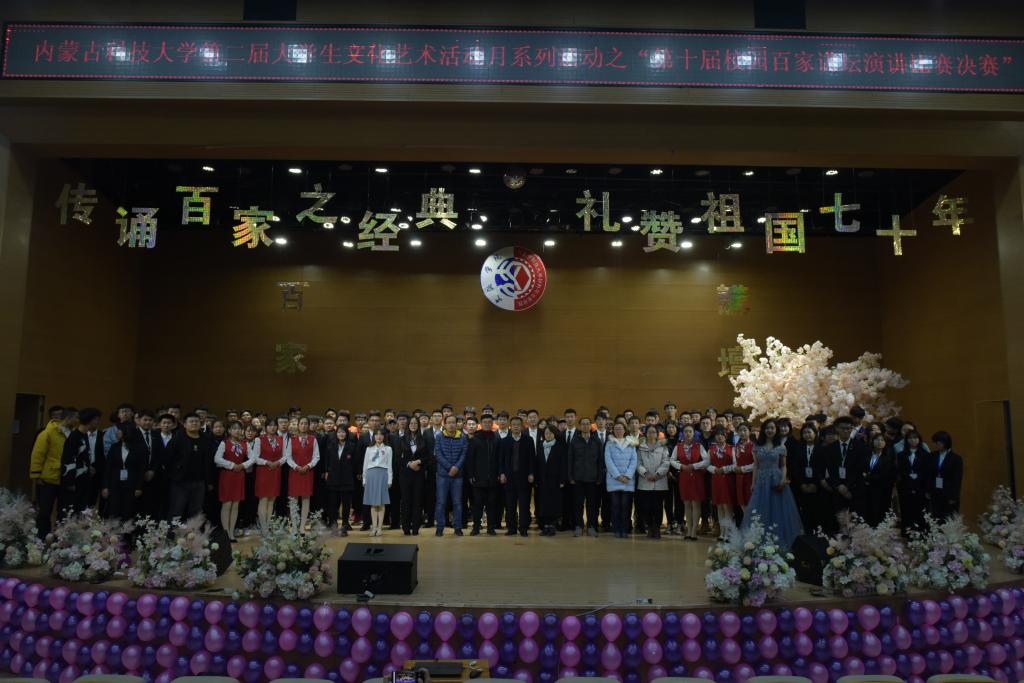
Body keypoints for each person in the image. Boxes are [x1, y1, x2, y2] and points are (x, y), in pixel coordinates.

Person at [742, 419, 803, 549]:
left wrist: (783, 479)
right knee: (760, 511)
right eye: (767, 428)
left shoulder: (781, 447)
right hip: (761, 482)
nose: (770, 430)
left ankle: (779, 542)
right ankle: (759, 542)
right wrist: (753, 483)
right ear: (763, 430)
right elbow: (756, 466)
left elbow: (783, 465)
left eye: (772, 428)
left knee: (778, 511)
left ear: (776, 430)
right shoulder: (757, 446)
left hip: (776, 480)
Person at [31, 407, 79, 538]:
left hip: (67, 478)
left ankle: (60, 539)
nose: (78, 421)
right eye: (76, 418)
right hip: (49, 477)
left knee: (64, 511)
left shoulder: (74, 434)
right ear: (68, 418)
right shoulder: (48, 433)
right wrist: (36, 475)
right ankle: (42, 538)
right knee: (45, 511)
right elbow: (38, 455)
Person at [823, 416, 870, 520]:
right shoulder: (829, 448)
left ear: (852, 428)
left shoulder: (861, 447)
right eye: (842, 428)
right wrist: (839, 486)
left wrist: (847, 486)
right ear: (837, 429)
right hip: (838, 489)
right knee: (840, 520)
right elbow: (830, 470)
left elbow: (859, 469)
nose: (845, 431)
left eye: (848, 428)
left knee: (856, 520)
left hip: (855, 489)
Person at [213, 420, 252, 540]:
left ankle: (231, 532)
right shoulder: (224, 443)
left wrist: (243, 465)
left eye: (239, 428)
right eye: (234, 428)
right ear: (229, 430)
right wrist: (232, 465)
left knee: (236, 504)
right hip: (227, 475)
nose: (237, 431)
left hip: (239, 475)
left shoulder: (245, 443)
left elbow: (253, 458)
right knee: (227, 504)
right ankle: (225, 533)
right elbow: (217, 459)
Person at [789, 423, 831, 534]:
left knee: (818, 511)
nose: (807, 435)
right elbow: (795, 468)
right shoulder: (798, 448)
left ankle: (819, 533)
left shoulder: (822, 449)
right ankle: (807, 533)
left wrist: (815, 483)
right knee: (805, 511)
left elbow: (823, 468)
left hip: (818, 486)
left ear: (815, 433)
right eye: (804, 433)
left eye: (809, 432)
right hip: (802, 485)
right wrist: (801, 484)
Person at [499, 415, 536, 537]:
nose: (516, 427)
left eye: (518, 425)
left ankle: (523, 528)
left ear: (522, 426)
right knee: (510, 505)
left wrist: (531, 472)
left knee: (524, 505)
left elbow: (532, 458)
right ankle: (512, 528)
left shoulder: (528, 440)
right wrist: (502, 473)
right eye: (513, 424)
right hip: (509, 478)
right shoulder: (504, 441)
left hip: (524, 478)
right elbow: (501, 460)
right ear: (510, 426)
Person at [61, 407, 102, 515]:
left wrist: (89, 467)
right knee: (70, 512)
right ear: (90, 420)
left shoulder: (84, 435)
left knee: (81, 510)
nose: (98, 422)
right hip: (74, 481)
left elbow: (83, 456)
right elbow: (68, 460)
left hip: (84, 479)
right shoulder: (74, 437)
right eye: (97, 419)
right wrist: (70, 482)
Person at [466, 413, 501, 536]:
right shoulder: (475, 439)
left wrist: (499, 473)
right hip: (478, 478)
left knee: (492, 504)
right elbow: (470, 459)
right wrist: (471, 475)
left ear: (492, 424)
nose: (487, 424)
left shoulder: (496, 438)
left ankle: (491, 527)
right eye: (485, 422)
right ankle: (476, 527)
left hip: (493, 478)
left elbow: (499, 458)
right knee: (477, 505)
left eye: (489, 422)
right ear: (481, 424)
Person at [569, 416, 604, 537]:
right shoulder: (575, 441)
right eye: (583, 424)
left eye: (587, 423)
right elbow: (570, 459)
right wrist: (570, 476)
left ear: (591, 426)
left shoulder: (596, 441)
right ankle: (578, 526)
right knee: (578, 504)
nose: (585, 426)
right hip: (577, 478)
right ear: (580, 426)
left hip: (593, 479)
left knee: (592, 505)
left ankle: (591, 526)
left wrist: (600, 477)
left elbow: (600, 461)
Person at [102, 423, 145, 521]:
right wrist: (105, 486)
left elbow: (141, 469)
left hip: (131, 485)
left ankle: (126, 531)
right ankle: (113, 531)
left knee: (128, 512)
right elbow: (108, 468)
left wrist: (139, 487)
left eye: (119, 430)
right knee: (113, 511)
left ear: (126, 432)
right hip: (114, 484)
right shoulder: (114, 447)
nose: (117, 432)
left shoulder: (139, 448)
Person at [671, 424, 707, 541]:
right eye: (686, 431)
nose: (688, 433)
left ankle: (694, 530)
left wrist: (695, 466)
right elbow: (671, 460)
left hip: (697, 476)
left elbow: (707, 460)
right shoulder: (678, 446)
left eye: (690, 431)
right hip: (684, 477)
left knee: (695, 503)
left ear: (694, 433)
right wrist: (681, 466)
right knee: (687, 503)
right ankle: (689, 528)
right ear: (682, 433)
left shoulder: (699, 446)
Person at [434, 415, 467, 537]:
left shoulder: (463, 437)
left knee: (457, 503)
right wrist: (449, 467)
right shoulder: (439, 437)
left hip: (458, 475)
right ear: (445, 424)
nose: (452, 425)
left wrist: (456, 467)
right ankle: (440, 528)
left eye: (454, 422)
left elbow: (464, 454)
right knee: (441, 502)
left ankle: (457, 527)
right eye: (449, 422)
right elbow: (438, 454)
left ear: (457, 424)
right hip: (443, 475)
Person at [286, 416, 320, 529]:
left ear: (308, 425)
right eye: (301, 423)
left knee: (306, 498)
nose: (304, 426)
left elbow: (316, 456)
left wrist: (308, 466)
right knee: (294, 499)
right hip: (295, 472)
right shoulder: (292, 439)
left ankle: (302, 527)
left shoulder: (313, 439)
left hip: (307, 472)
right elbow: (288, 457)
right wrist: (296, 467)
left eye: (306, 423)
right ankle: (295, 527)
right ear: (298, 425)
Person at [636, 425, 670, 540]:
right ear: (646, 434)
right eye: (649, 432)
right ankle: (650, 527)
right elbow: (638, 463)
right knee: (646, 507)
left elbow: (666, 462)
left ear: (657, 434)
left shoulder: (663, 447)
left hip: (659, 481)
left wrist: (658, 474)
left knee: (658, 506)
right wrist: (645, 473)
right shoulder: (641, 447)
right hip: (645, 481)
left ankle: (657, 528)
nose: (651, 434)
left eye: (654, 432)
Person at [396, 415, 428, 535]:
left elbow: (427, 457)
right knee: (406, 500)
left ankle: (415, 527)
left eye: (415, 423)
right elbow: (397, 458)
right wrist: (409, 464)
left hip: (418, 474)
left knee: (417, 501)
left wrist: (418, 461)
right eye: (411, 423)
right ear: (408, 425)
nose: (413, 425)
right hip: (405, 474)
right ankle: (405, 527)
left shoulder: (423, 439)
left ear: (418, 425)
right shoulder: (401, 440)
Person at [321, 425, 356, 536]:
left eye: (343, 432)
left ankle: (345, 525)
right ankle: (333, 525)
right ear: (336, 434)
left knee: (346, 505)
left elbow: (355, 463)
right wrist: (326, 471)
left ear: (347, 434)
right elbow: (326, 460)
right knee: (332, 504)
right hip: (333, 479)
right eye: (339, 432)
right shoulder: (331, 445)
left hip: (347, 479)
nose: (341, 434)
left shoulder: (352, 446)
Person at [605, 422, 637, 539]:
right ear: (613, 431)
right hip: (614, 480)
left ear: (624, 430)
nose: (618, 431)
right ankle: (616, 529)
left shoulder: (631, 443)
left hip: (628, 480)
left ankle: (624, 529)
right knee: (615, 506)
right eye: (616, 429)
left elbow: (634, 461)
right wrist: (618, 476)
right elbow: (608, 461)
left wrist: (627, 476)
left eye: (620, 429)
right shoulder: (609, 443)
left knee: (626, 507)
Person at [536, 424, 569, 536]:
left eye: (550, 433)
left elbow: (563, 465)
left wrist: (562, 480)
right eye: (546, 433)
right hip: (542, 480)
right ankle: (545, 526)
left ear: (554, 434)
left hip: (555, 480)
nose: (548, 435)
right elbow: (537, 464)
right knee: (543, 503)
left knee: (554, 504)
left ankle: (552, 526)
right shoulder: (540, 445)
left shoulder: (559, 446)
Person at [896, 429, 931, 533]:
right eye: (910, 438)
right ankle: (907, 532)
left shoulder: (925, 455)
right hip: (905, 487)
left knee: (920, 511)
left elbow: (927, 473)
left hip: (920, 488)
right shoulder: (901, 454)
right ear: (906, 440)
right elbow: (900, 471)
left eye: (915, 438)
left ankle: (921, 533)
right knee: (906, 510)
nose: (913, 440)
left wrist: (925, 487)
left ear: (919, 440)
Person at [254, 418, 285, 531]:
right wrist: (267, 462)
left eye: (274, 425)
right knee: (263, 499)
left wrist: (278, 462)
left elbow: (285, 456)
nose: (272, 427)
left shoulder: (280, 439)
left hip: (276, 471)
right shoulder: (259, 439)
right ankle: (263, 527)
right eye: (270, 425)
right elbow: (255, 458)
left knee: (272, 499)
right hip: (263, 472)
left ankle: (268, 525)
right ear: (265, 427)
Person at [860, 432, 896, 526]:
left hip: (880, 489)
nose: (879, 442)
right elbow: (861, 469)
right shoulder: (866, 455)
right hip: (866, 488)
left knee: (879, 512)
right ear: (872, 441)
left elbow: (885, 475)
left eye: (882, 440)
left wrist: (867, 476)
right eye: (877, 439)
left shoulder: (888, 458)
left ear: (885, 443)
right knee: (866, 511)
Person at [707, 427, 737, 540]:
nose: (720, 436)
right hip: (716, 479)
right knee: (719, 506)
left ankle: (728, 533)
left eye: (722, 434)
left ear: (726, 436)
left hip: (728, 479)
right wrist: (714, 469)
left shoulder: (732, 448)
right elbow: (707, 464)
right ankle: (722, 532)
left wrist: (724, 469)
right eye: (717, 434)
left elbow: (736, 464)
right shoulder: (711, 449)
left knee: (727, 507)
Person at [362, 430, 393, 536]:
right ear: (374, 436)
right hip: (371, 475)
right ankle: (374, 527)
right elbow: (365, 464)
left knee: (381, 503)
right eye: (377, 434)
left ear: (384, 436)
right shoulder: (369, 449)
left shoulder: (388, 449)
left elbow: (389, 465)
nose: (379, 436)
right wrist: (364, 479)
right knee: (373, 503)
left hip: (383, 474)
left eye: (381, 434)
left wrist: (390, 479)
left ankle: (380, 528)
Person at [930, 431, 963, 520]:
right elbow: (929, 474)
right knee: (936, 518)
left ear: (945, 442)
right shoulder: (932, 456)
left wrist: (954, 496)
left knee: (948, 518)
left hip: (949, 493)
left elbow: (957, 479)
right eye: (934, 442)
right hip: (935, 492)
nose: (935, 445)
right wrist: (928, 490)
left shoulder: (956, 458)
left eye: (937, 442)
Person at [662, 421, 683, 535]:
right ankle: (670, 523)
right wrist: (667, 471)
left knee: (680, 500)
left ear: (677, 429)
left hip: (680, 473)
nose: (671, 429)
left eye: (673, 427)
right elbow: (662, 458)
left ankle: (680, 523)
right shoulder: (663, 442)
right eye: (669, 427)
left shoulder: (681, 442)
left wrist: (678, 471)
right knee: (668, 500)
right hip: (666, 473)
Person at [733, 423, 755, 513]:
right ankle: (746, 520)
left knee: (751, 501)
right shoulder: (737, 446)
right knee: (741, 500)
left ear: (750, 431)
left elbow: (756, 464)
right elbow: (735, 460)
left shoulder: (754, 446)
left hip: (750, 477)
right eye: (740, 431)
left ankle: (753, 521)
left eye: (745, 430)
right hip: (739, 477)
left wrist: (743, 469)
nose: (742, 432)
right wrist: (735, 467)